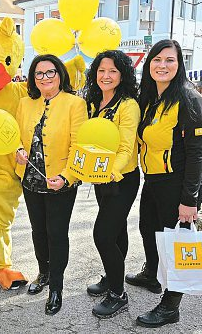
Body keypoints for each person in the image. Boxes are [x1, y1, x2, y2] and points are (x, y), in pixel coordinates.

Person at [126, 39, 202, 327]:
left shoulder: (188, 99)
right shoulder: (149, 98)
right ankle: (152, 274)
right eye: (157, 60)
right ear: (148, 64)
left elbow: (196, 154)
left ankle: (171, 307)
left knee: (176, 243)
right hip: (155, 178)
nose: (162, 65)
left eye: (169, 60)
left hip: (181, 181)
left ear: (179, 64)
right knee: (148, 229)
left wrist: (190, 199)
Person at [15, 54, 87, 315]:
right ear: (33, 78)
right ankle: (43, 273)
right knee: (38, 230)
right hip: (31, 179)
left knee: (57, 233)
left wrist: (67, 176)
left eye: (50, 72)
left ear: (60, 75)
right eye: (39, 73)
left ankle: (57, 286)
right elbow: (14, 136)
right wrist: (17, 151)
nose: (45, 78)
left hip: (61, 181)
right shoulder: (25, 103)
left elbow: (79, 145)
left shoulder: (75, 104)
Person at [83, 50, 140, 318]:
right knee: (117, 233)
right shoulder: (95, 102)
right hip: (100, 178)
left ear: (123, 74)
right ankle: (111, 275)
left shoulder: (128, 105)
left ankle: (118, 295)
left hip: (122, 179)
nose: (106, 76)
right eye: (102, 70)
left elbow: (127, 147)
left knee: (103, 234)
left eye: (113, 71)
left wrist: (112, 171)